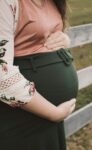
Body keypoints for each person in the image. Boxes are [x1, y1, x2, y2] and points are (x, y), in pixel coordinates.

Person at [0, 0, 79, 150]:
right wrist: (53, 113)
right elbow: (1, 74)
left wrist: (65, 40)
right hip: (21, 121)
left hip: (47, 122)